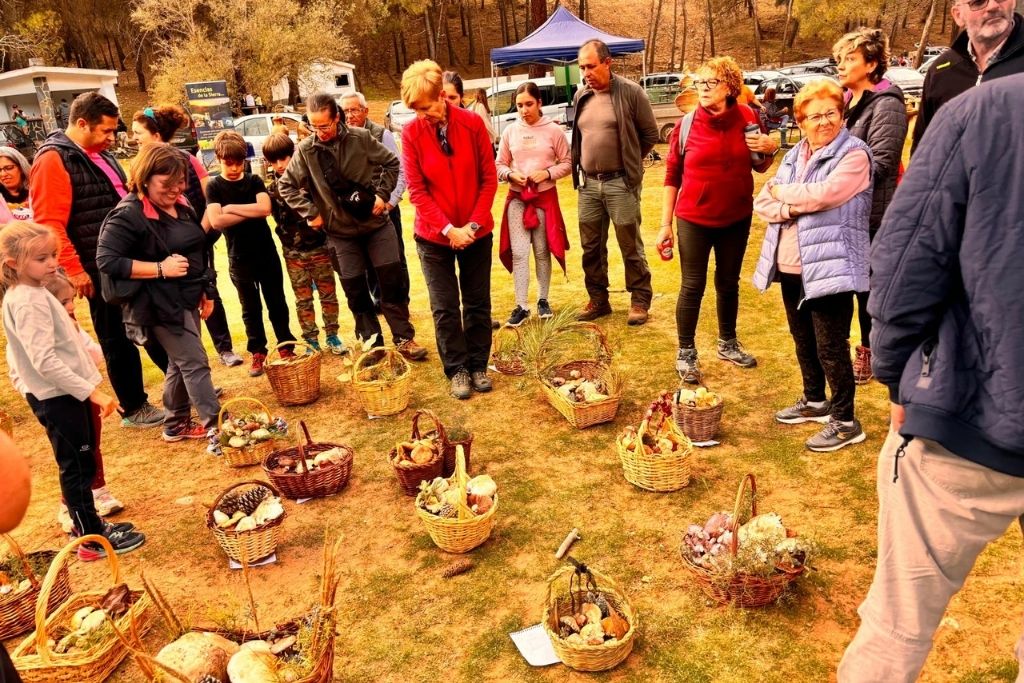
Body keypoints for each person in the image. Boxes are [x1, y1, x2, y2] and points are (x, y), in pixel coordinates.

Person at [837, 73, 1024, 683]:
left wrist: (893, 377)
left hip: (972, 412)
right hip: (983, 405)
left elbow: (906, 260)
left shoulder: (985, 111)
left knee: (899, 621)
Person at [1, 220, 145, 560]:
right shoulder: (26, 301)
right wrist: (91, 392)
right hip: (57, 397)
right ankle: (90, 541)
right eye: (41, 259)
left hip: (66, 393)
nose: (51, 263)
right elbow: (43, 360)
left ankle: (93, 525)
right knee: (76, 466)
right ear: (12, 264)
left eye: (52, 255)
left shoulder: (34, 292)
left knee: (83, 460)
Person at [29, 92, 167, 429]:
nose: (111, 138)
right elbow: (49, 223)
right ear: (80, 124)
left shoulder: (95, 154)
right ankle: (134, 407)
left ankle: (182, 382)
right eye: (104, 131)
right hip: (97, 266)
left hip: (124, 259)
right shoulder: (53, 160)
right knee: (116, 337)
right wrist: (75, 270)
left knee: (148, 323)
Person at [752, 79, 872, 452]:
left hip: (830, 266)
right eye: (815, 116)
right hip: (790, 263)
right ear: (800, 120)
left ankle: (845, 420)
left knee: (831, 346)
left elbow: (826, 194)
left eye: (831, 113)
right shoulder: (794, 154)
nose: (824, 122)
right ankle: (815, 400)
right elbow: (762, 202)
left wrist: (784, 195)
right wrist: (789, 205)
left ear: (842, 114)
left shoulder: (854, 154)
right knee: (802, 338)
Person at [277, 93, 427, 360]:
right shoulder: (307, 151)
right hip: (340, 234)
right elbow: (286, 186)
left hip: (377, 226)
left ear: (337, 118)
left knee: (391, 285)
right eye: (313, 126)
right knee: (356, 293)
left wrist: (383, 195)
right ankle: (373, 344)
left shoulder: (361, 138)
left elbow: (392, 163)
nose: (319, 132)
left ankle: (405, 339)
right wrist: (311, 212)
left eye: (324, 125)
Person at [657, 56, 779, 384]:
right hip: (694, 218)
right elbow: (672, 175)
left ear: (729, 87)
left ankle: (728, 342)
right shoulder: (685, 126)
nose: (703, 89)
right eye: (699, 83)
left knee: (728, 283)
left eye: (710, 83)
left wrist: (770, 147)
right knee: (692, 285)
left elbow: (760, 165)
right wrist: (664, 224)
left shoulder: (749, 117)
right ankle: (686, 352)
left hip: (736, 216)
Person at [96, 143, 222, 442]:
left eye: (181, 182)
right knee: (194, 362)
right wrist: (159, 269)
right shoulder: (128, 214)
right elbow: (107, 260)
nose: (177, 189)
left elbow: (197, 250)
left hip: (186, 295)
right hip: (156, 304)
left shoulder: (181, 205)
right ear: (145, 177)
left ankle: (175, 423)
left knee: (181, 363)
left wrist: (206, 289)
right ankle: (219, 427)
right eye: (167, 183)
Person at [401, 59, 497, 399]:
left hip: (476, 231)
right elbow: (417, 191)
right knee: (444, 307)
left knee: (476, 303)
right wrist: (447, 229)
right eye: (415, 110)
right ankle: (456, 369)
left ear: (443, 96)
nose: (421, 115)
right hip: (433, 237)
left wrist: (470, 225)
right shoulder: (411, 133)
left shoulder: (472, 125)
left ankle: (477, 365)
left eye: (426, 108)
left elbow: (488, 180)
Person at [131, 105, 244, 368]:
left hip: (196, 238)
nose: (134, 138)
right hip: (161, 248)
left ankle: (224, 348)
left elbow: (210, 195)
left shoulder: (187, 159)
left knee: (207, 288)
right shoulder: (140, 166)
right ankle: (192, 358)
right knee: (179, 302)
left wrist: (198, 235)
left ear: (156, 134)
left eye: (139, 133)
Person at [833, 28, 909, 385]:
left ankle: (870, 351)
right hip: (843, 213)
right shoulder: (845, 101)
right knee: (844, 286)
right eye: (840, 59)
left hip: (874, 215)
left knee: (869, 292)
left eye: (850, 58)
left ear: (872, 63)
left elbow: (883, 161)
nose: (841, 65)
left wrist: (835, 169)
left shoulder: (887, 103)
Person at [571, 39, 659, 325]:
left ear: (608, 63)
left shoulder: (631, 93)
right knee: (591, 246)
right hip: (588, 185)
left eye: (591, 66)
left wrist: (630, 161)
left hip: (621, 182)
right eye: (582, 67)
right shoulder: (581, 96)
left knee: (629, 243)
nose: (586, 73)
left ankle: (640, 299)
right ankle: (598, 299)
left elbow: (649, 135)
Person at [205, 130, 296, 376]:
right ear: (218, 158)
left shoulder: (254, 181)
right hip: (239, 258)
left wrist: (231, 208)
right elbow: (215, 221)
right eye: (228, 163)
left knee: (277, 302)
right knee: (250, 308)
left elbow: (265, 209)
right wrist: (249, 210)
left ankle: (286, 344)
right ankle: (258, 351)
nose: (234, 168)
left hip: (266, 253)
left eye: (238, 163)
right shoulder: (214, 186)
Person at [45, 272, 126, 530]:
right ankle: (67, 506)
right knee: (74, 455)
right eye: (62, 303)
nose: (70, 307)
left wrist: (77, 335)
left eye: (71, 301)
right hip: (63, 400)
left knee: (92, 446)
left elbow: (96, 356)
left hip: (88, 394)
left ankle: (100, 490)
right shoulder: (43, 336)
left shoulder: (74, 328)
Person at [495, 81, 571, 326]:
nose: (524, 110)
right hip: (517, 198)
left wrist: (548, 173)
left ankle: (543, 299)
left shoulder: (553, 131)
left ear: (540, 103)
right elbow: (499, 164)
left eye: (528, 104)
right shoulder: (510, 131)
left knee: (541, 250)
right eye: (519, 105)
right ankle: (521, 305)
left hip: (544, 199)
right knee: (519, 252)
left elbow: (568, 162)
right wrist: (509, 175)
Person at [262, 132, 345, 354]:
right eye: (274, 161)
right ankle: (311, 340)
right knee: (303, 299)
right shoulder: (271, 191)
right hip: (293, 254)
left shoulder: (312, 184)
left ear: (294, 155)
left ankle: (333, 336)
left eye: (284, 158)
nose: (280, 165)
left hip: (320, 248)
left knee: (328, 295)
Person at [911, 0, 1023, 153]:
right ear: (958, 15)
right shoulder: (940, 71)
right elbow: (923, 149)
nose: (993, 6)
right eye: (978, 2)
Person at [340, 91, 411, 312]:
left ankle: (400, 300)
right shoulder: (342, 139)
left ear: (365, 111)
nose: (350, 115)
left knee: (394, 258)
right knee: (367, 260)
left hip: (386, 207)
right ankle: (378, 300)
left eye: (354, 110)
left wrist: (389, 202)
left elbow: (400, 171)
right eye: (345, 111)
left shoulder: (382, 135)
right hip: (358, 212)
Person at [0, 146, 32, 224]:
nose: (3, 174)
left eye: (9, 168)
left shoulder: (37, 191)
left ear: (21, 167)